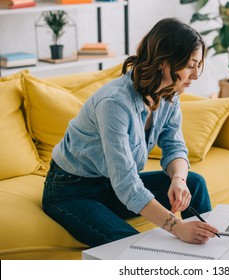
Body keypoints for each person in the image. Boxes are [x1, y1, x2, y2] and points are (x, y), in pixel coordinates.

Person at [42, 18, 218, 247]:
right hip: (72, 191)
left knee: (193, 183)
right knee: (133, 247)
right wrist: (178, 227)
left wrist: (178, 178)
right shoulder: (114, 103)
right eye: (190, 65)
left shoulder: (169, 95)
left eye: (198, 65)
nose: (195, 75)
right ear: (164, 62)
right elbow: (127, 183)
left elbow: (174, 145)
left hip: (111, 186)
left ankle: (211, 248)